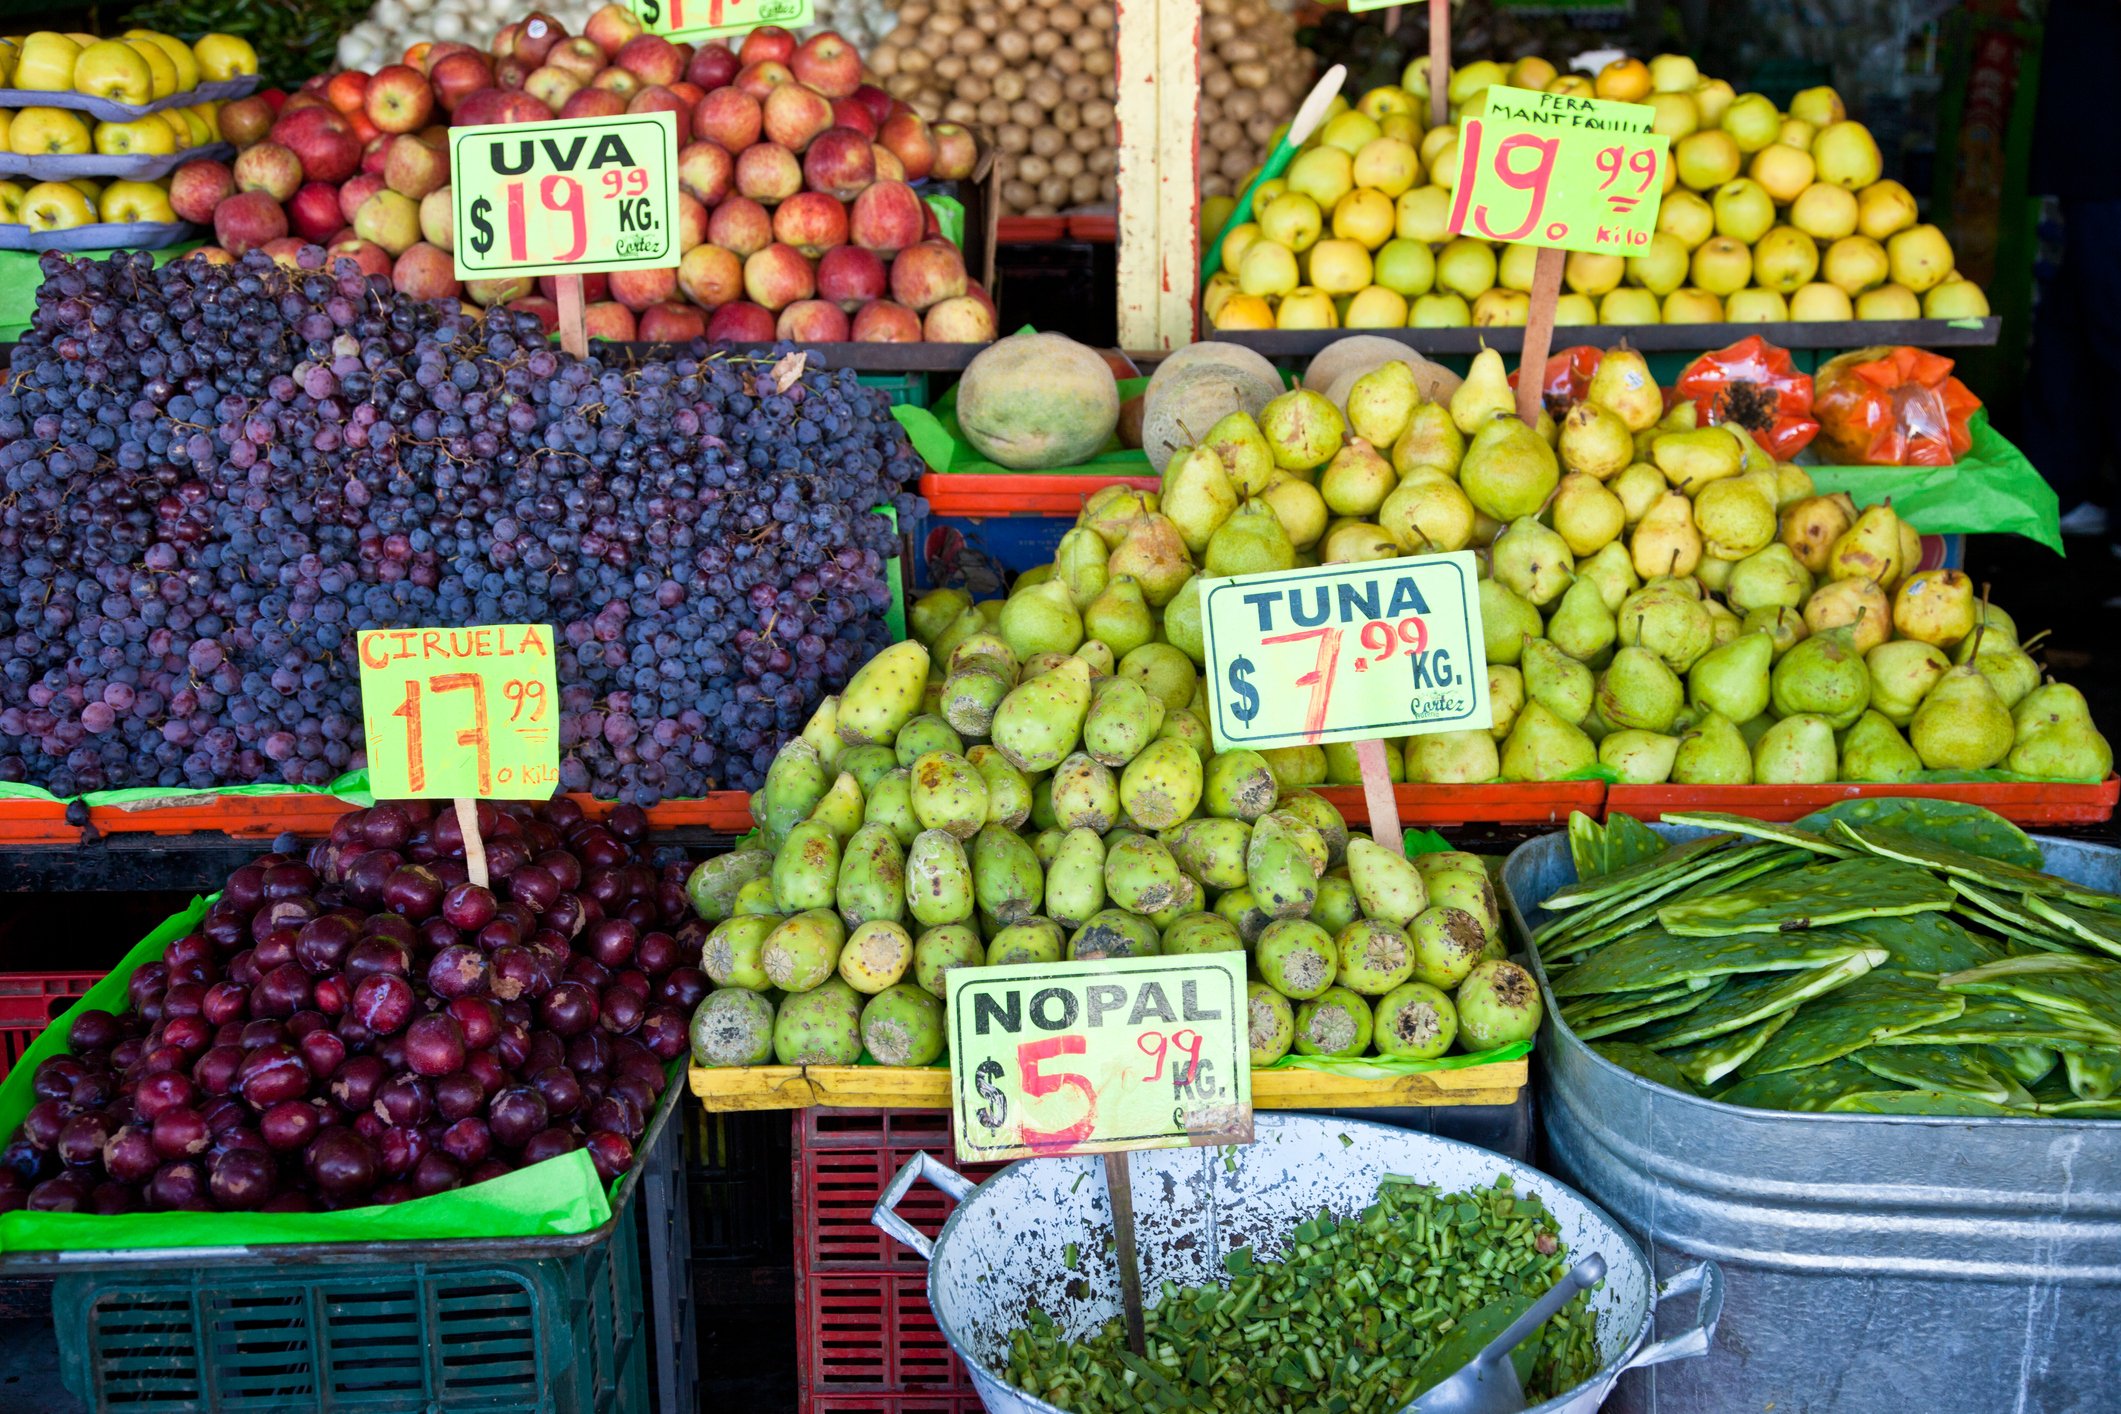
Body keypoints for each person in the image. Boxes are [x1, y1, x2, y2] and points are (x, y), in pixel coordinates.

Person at [2022, 0, 2121, 542]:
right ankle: (2059, 488)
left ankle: (2057, 488)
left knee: (2077, 318)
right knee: (2102, 316)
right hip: (2102, 145)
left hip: (2091, 140)